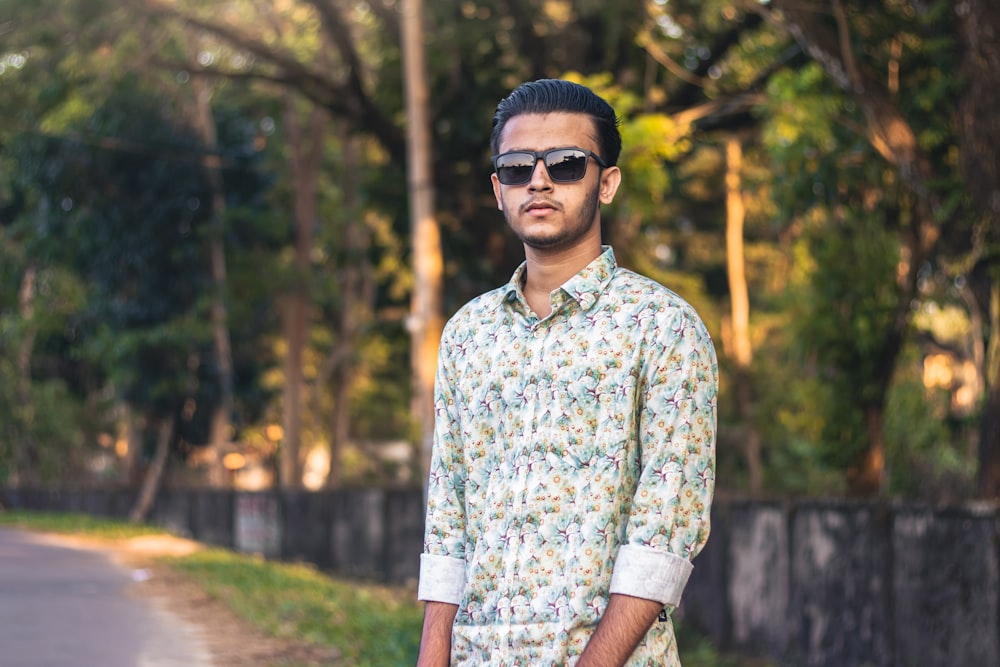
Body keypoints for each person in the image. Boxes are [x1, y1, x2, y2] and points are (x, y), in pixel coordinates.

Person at [416, 78, 718, 667]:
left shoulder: (663, 328)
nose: (540, 180)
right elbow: (448, 520)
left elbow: (665, 529)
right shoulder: (467, 335)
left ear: (606, 182)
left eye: (567, 163)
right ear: (498, 189)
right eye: (516, 167)